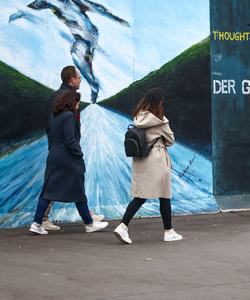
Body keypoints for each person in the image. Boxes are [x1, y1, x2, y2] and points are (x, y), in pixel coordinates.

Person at [30, 91, 108, 235]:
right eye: (77, 103)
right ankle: (89, 224)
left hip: (54, 155)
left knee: (48, 191)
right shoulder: (69, 117)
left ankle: (36, 223)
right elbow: (71, 140)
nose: (78, 106)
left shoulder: (54, 115)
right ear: (72, 103)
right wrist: (79, 154)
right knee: (78, 191)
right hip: (68, 157)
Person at [114, 88, 183, 244]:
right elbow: (171, 140)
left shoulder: (139, 116)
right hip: (157, 160)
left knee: (140, 196)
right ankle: (168, 232)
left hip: (141, 159)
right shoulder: (160, 121)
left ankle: (123, 226)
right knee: (164, 196)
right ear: (159, 102)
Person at [41, 66, 103, 231]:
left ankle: (86, 216)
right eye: (79, 78)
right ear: (72, 80)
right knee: (67, 182)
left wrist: (53, 143)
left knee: (59, 183)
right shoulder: (68, 97)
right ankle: (86, 219)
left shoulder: (55, 96)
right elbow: (65, 125)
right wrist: (74, 149)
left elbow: (49, 123)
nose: (81, 80)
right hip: (65, 147)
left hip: (58, 146)